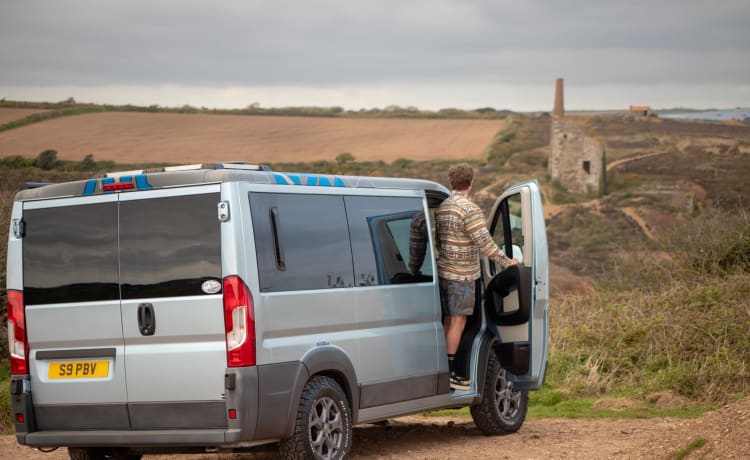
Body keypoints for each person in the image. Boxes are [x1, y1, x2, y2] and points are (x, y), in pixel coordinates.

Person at [435, 163, 516, 390]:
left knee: (448, 321)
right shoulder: (470, 210)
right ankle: (450, 374)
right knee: (458, 322)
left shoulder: (442, 208)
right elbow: (485, 243)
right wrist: (508, 261)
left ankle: (442, 369)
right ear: (471, 182)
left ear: (452, 180)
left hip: (443, 273)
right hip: (462, 276)